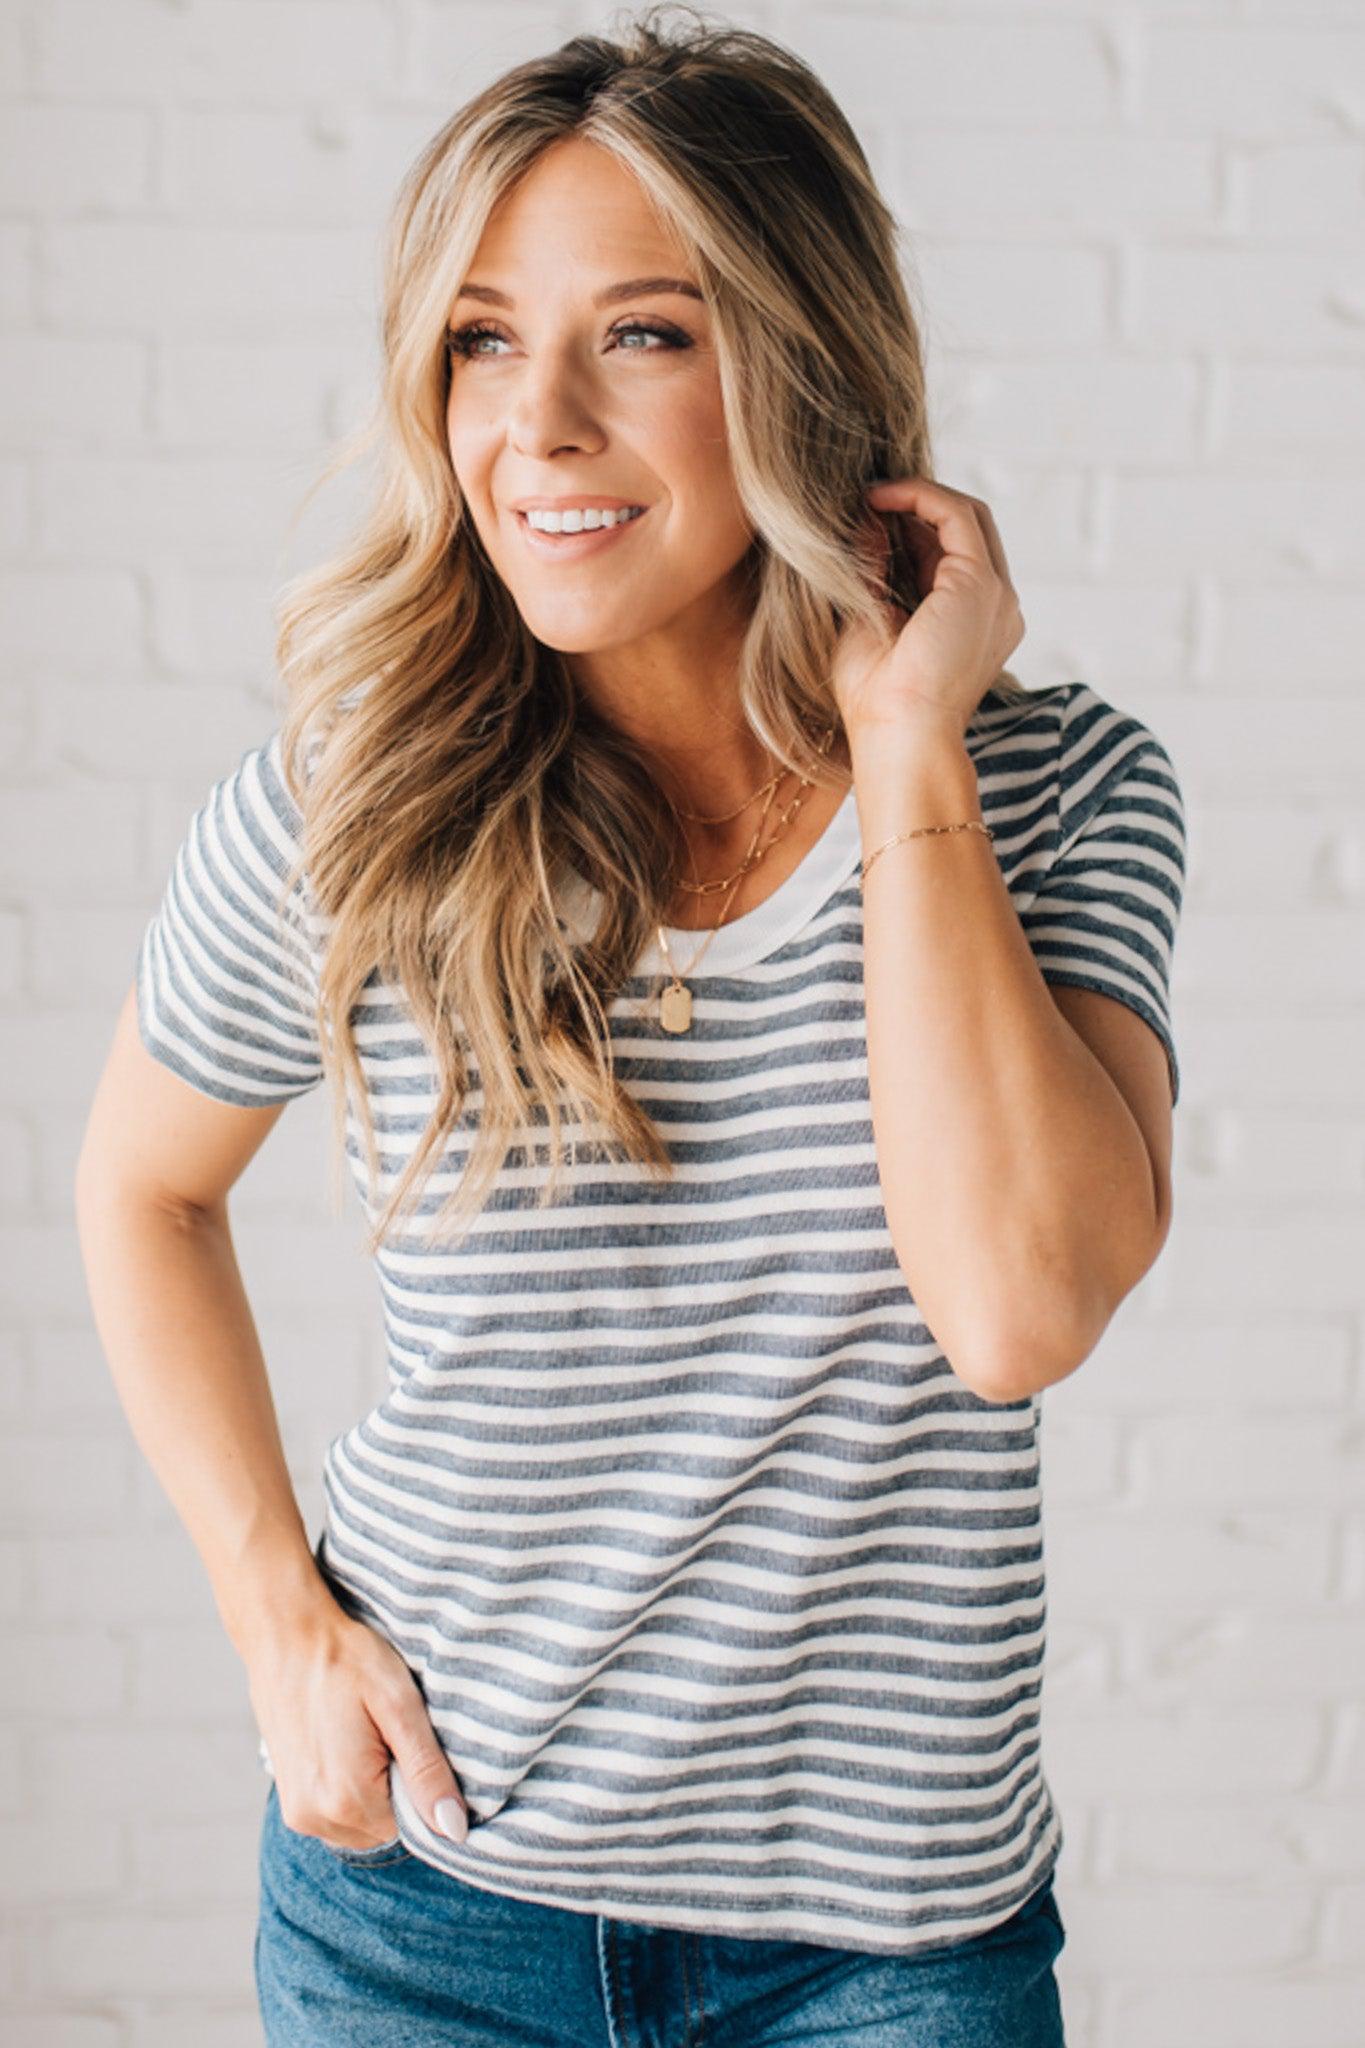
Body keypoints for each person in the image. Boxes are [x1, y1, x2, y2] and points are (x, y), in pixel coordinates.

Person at [75, 7, 1186, 2043]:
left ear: (799, 360)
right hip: (425, 1914)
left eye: (643, 335)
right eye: (483, 338)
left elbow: (1016, 1307)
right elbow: (138, 1187)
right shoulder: (359, 796)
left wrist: (904, 745)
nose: (538, 425)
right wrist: (269, 1620)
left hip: (886, 1961)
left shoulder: (1057, 795)